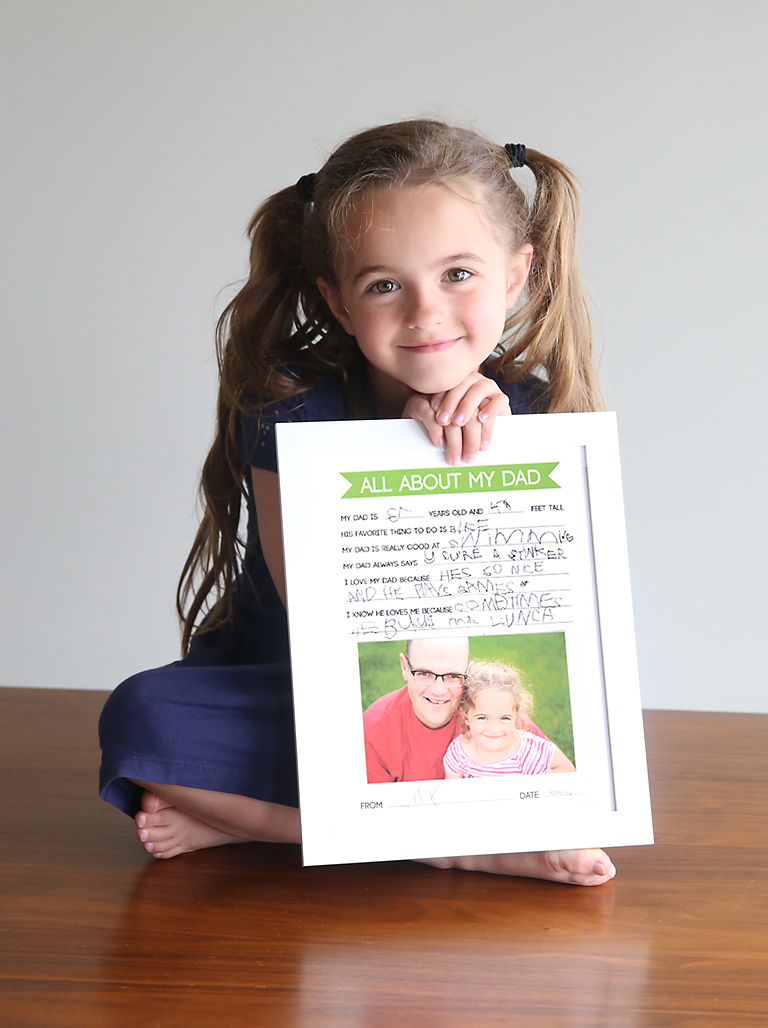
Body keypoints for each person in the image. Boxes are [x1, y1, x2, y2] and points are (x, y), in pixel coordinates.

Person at [98, 119, 615, 885]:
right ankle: (451, 844)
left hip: (449, 703)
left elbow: (536, 608)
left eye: (458, 275)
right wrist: (401, 452)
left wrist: (486, 454)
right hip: (293, 686)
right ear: (339, 303)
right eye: (384, 285)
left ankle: (256, 824)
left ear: (514, 275)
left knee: (537, 741)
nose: (425, 313)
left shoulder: (531, 413)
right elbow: (315, 612)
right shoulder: (288, 406)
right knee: (141, 719)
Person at [364, 639, 552, 783]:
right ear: (405, 667)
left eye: (453, 676)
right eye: (424, 673)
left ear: (467, 672)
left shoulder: (491, 712)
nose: (439, 691)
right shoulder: (371, 732)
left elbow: (563, 778)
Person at [443, 661, 574, 778]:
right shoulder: (458, 753)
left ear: (516, 716)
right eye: (482, 718)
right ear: (466, 715)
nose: (494, 729)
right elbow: (454, 797)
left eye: (504, 718)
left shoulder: (529, 754)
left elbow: (569, 775)